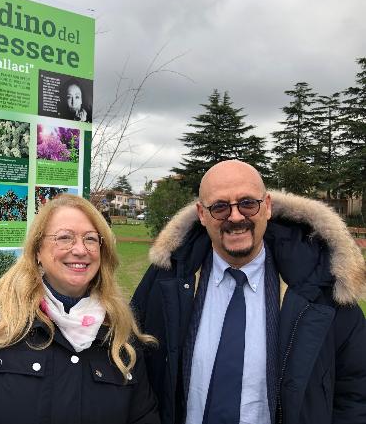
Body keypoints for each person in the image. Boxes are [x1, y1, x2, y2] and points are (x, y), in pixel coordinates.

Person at [131, 160, 366, 424]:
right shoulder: (167, 277)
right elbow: (131, 365)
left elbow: (356, 388)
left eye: (247, 203)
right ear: (201, 213)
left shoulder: (322, 285)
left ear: (266, 206)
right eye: (219, 207)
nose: (235, 217)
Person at [0, 194, 159, 424]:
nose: (80, 250)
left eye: (90, 238)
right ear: (37, 251)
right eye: (64, 237)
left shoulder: (119, 327)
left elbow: (143, 416)